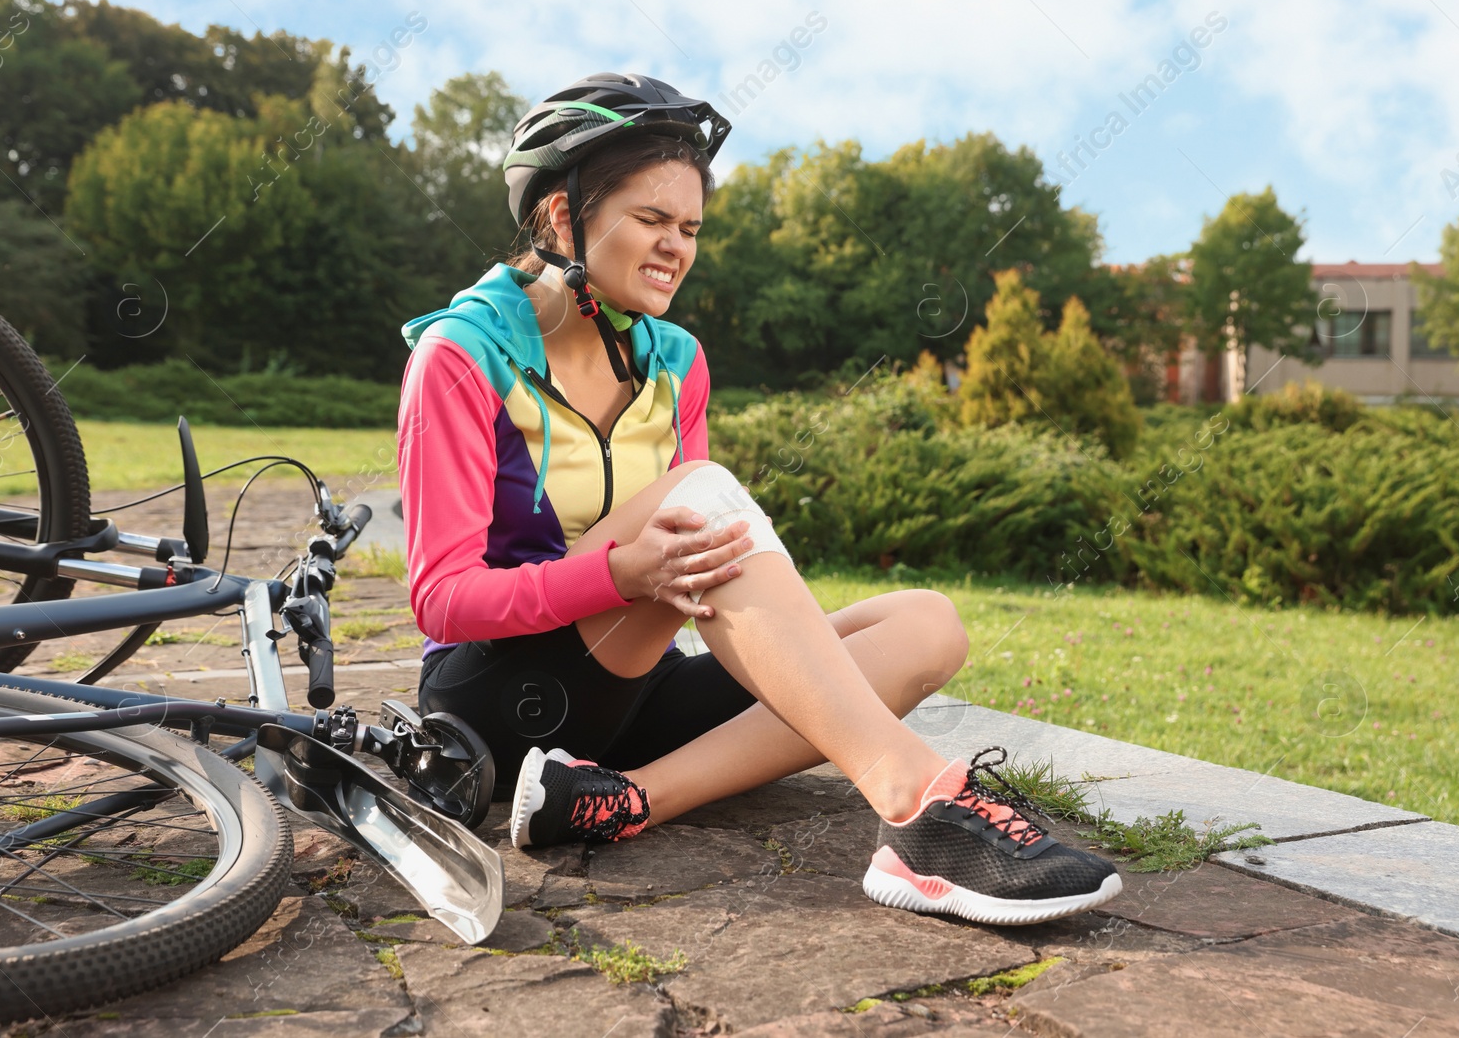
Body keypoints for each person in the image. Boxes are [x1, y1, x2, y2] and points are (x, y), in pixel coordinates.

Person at [397, 72, 1122, 924]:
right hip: (499, 706)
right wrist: (622, 575)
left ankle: (612, 799)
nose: (678, 247)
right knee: (700, 496)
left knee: (929, 625)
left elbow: (705, 578)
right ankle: (914, 802)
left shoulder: (677, 360)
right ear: (564, 217)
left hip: (632, 695)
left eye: (691, 227)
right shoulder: (458, 355)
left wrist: (666, 590)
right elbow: (441, 600)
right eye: (653, 220)